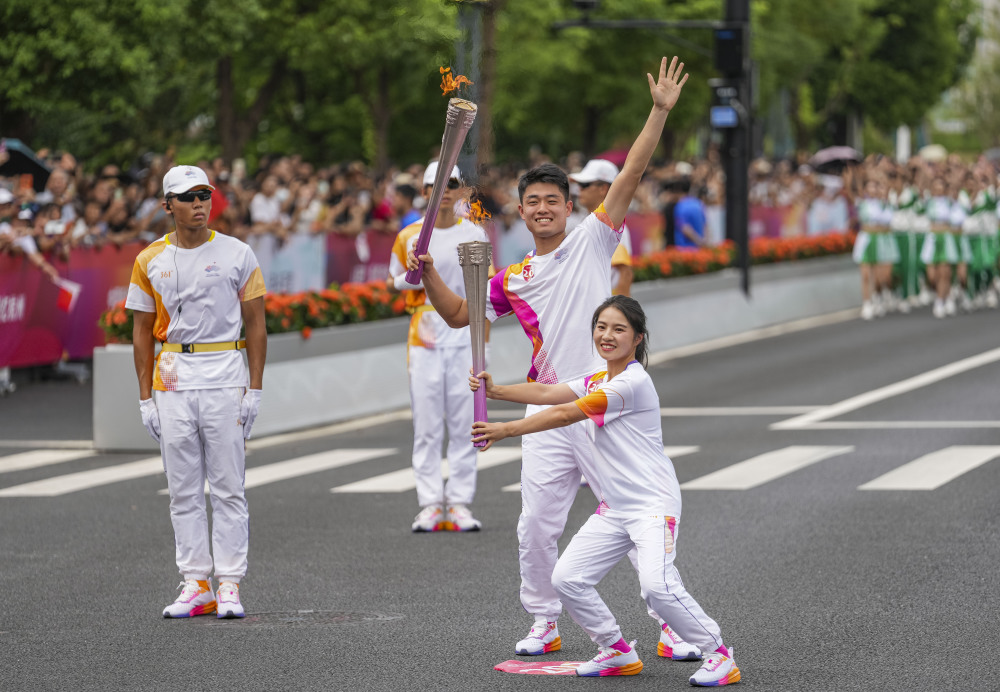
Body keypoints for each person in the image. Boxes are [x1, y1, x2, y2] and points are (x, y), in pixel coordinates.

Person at [409, 56, 697, 660]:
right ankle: (544, 619)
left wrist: (659, 112)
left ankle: (669, 619)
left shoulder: (594, 241)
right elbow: (461, 316)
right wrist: (429, 274)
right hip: (550, 406)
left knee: (637, 513)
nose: (542, 208)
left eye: (552, 200)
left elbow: (631, 174)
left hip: (602, 407)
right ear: (521, 210)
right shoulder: (514, 276)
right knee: (535, 527)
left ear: (569, 208)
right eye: (532, 201)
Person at [469, 296, 739, 684]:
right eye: (601, 327)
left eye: (618, 329)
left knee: (657, 586)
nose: (607, 336)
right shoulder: (597, 379)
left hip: (651, 504)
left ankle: (719, 654)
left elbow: (565, 413)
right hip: (615, 507)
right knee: (567, 579)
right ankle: (615, 650)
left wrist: (504, 430)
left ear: (637, 339)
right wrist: (495, 391)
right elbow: (548, 394)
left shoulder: (631, 383)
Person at [126, 165, 267, 619]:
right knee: (183, 488)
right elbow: (142, 332)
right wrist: (145, 397)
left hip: (224, 371)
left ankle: (229, 583)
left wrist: (256, 388)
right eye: (187, 197)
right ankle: (196, 582)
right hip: (173, 376)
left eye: (204, 195)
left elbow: (257, 325)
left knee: (228, 486)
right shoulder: (150, 259)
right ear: (168, 205)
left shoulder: (237, 253)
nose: (199, 204)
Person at [388, 162, 490, 532]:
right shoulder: (409, 236)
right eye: (435, 184)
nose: (443, 190)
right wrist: (412, 275)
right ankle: (430, 503)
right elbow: (394, 281)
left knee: (466, 421)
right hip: (426, 335)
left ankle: (460, 502)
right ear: (425, 190)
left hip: (464, 332)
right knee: (428, 424)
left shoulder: (475, 235)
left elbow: (484, 297)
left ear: (461, 190)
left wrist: (484, 348)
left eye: (451, 184)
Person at [569, 159, 634, 296]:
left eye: (584, 185)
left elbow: (625, 274)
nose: (579, 190)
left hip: (606, 308)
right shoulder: (586, 221)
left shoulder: (612, 226)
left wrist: (620, 313)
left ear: (603, 188)